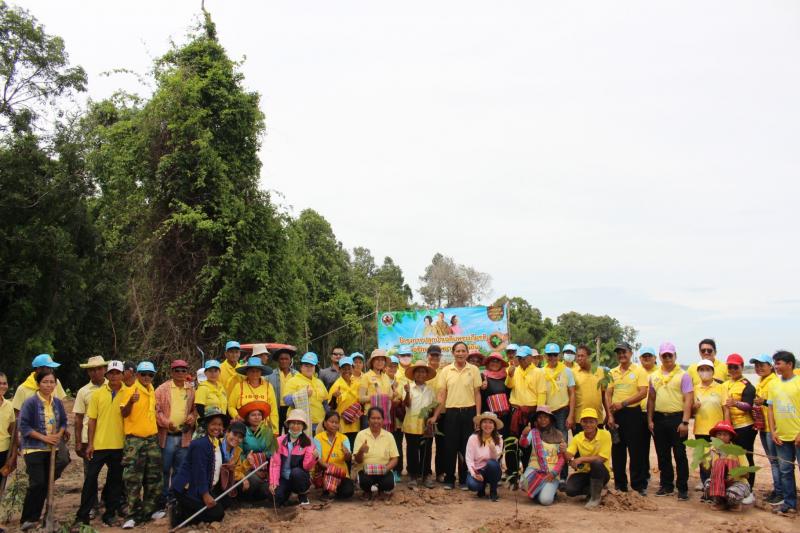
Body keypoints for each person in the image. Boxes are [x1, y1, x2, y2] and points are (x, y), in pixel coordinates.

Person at [75, 360, 125, 527]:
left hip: (118, 444)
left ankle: (110, 514)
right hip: (99, 444)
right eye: (112, 373)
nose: (114, 376)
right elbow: (92, 420)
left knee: (115, 481)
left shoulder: (128, 393)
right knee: (90, 479)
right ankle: (82, 515)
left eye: (118, 373)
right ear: (107, 374)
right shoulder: (97, 394)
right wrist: (90, 444)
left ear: (122, 375)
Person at [17, 368, 68, 531]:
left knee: (45, 482)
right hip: (34, 448)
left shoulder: (57, 403)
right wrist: (45, 438)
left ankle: (41, 516)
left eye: (52, 382)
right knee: (38, 483)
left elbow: (63, 422)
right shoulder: (30, 403)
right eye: (45, 382)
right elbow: (24, 426)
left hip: (51, 449)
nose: (49, 385)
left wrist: (58, 435)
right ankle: (28, 518)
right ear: (38, 384)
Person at [427, 341, 482, 490]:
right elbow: (442, 396)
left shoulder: (474, 370)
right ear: (453, 353)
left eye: (463, 351)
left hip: (469, 412)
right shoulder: (446, 371)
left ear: (467, 353)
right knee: (450, 447)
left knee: (466, 447)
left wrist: (477, 416)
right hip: (451, 414)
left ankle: (464, 479)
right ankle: (450, 479)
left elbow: (477, 394)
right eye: (457, 351)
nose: (460, 353)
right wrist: (436, 415)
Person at [118, 361, 163, 529]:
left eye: (150, 374)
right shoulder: (130, 390)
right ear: (137, 375)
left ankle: (150, 510)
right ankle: (133, 514)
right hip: (135, 441)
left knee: (153, 476)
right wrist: (131, 401)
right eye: (143, 374)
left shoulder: (151, 390)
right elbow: (123, 413)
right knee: (133, 478)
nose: (146, 377)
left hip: (151, 439)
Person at [646, 342, 693, 500]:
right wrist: (650, 420)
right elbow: (651, 399)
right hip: (659, 418)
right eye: (664, 355)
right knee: (662, 454)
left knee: (680, 454)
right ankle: (666, 485)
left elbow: (688, 399)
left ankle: (682, 488)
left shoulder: (684, 375)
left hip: (677, 418)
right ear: (660, 357)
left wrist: (685, 422)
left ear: (675, 356)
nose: (667, 358)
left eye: (670, 355)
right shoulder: (654, 376)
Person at [169, 407, 229, 527]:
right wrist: (205, 495)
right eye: (213, 424)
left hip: (200, 486)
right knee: (217, 514)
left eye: (220, 425)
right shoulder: (200, 444)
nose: (217, 427)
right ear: (206, 425)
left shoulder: (216, 442)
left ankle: (189, 509)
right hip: (187, 488)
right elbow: (199, 471)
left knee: (225, 503)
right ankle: (179, 514)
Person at [605, 341, 649, 495]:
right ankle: (620, 485)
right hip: (616, 416)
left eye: (624, 352)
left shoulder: (639, 371)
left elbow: (643, 392)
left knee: (636, 451)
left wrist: (623, 403)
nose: (621, 355)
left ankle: (638, 485)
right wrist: (610, 415)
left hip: (633, 414)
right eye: (619, 353)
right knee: (617, 451)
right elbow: (608, 394)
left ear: (630, 353)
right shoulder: (612, 372)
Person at [155, 359, 196, 507]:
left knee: (180, 469)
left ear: (187, 372)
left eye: (183, 370)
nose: (180, 373)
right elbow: (156, 410)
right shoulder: (161, 389)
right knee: (165, 469)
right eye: (177, 370)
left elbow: (195, 409)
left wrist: (192, 417)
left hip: (184, 436)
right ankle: (163, 497)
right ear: (171, 372)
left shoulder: (191, 390)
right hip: (168, 436)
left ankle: (174, 497)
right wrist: (167, 423)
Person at [505, 345, 546, 484]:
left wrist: (538, 415)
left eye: (523, 358)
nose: (521, 360)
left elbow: (542, 393)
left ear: (530, 358)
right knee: (511, 442)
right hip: (515, 410)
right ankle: (512, 474)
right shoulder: (514, 370)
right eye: (519, 358)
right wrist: (510, 375)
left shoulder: (538, 372)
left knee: (528, 444)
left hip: (531, 412)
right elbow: (509, 386)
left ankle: (528, 475)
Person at [766, 350, 800, 516]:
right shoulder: (774, 384)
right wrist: (773, 432)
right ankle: (790, 503)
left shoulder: (799, 382)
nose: (776, 366)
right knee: (785, 471)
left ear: (790, 364)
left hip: (798, 435)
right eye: (775, 363)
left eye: (778, 363)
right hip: (781, 437)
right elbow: (770, 410)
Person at [692, 359, 729, 492]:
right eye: (702, 370)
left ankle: (720, 483)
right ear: (698, 372)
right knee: (704, 459)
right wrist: (694, 407)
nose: (705, 372)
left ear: (713, 372)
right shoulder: (694, 388)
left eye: (708, 369)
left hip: (718, 430)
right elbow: (690, 411)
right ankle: (705, 482)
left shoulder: (721, 387)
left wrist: (727, 428)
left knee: (719, 458)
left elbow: (725, 409)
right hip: (700, 429)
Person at [749, 354, 782, 506]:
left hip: (772, 428)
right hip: (763, 426)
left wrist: (764, 401)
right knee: (773, 460)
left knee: (775, 462)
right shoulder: (762, 382)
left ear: (770, 366)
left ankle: (780, 493)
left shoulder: (774, 382)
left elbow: (778, 402)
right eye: (756, 366)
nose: (758, 368)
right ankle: (778, 490)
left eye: (762, 365)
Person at [564, 408, 612, 508]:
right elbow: (569, 454)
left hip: (602, 472)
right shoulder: (578, 437)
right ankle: (597, 490)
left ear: (596, 423)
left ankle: (595, 498)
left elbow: (602, 458)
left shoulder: (605, 434)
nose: (588, 425)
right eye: (585, 421)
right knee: (570, 490)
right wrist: (565, 452)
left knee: (596, 463)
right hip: (584, 472)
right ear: (581, 423)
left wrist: (581, 459)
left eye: (591, 422)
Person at [268, 409, 317, 506]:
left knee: (296, 472)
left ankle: (302, 495)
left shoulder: (308, 442)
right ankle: (286, 495)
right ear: (288, 424)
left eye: (299, 423)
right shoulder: (279, 441)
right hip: (284, 477)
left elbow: (306, 466)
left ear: (303, 426)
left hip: (299, 477)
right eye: (293, 423)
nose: (295, 426)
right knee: (275, 497)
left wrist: (313, 458)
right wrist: (273, 482)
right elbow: (275, 463)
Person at [541, 342, 575, 485]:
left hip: (562, 411)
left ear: (559, 356)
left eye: (555, 355)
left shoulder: (567, 371)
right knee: (546, 442)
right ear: (545, 356)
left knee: (562, 443)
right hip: (547, 412)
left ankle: (563, 477)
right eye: (550, 355)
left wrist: (571, 415)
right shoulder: (541, 372)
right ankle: (547, 473)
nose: (552, 358)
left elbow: (572, 393)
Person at [723, 353, 756, 490]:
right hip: (729, 427)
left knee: (746, 458)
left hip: (744, 427)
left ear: (742, 367)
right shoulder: (725, 384)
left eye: (735, 367)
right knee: (730, 457)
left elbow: (748, 405)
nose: (732, 370)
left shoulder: (747, 386)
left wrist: (735, 403)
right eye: (730, 367)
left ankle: (749, 488)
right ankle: (733, 485)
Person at [701, 421, 751, 511]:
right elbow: (706, 470)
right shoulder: (710, 449)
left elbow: (747, 474)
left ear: (730, 436)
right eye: (719, 434)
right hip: (719, 481)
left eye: (725, 435)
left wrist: (734, 474)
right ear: (715, 436)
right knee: (708, 485)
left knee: (732, 494)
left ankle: (734, 503)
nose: (721, 437)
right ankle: (720, 502)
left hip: (737, 482)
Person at [520, 406, 565, 506]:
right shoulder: (533, 432)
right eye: (540, 417)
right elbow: (524, 444)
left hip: (552, 472)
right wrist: (523, 435)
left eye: (546, 417)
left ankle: (543, 490)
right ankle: (543, 489)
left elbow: (562, 458)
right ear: (536, 420)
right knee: (523, 482)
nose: (542, 420)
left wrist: (553, 473)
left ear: (550, 419)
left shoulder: (558, 434)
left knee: (545, 501)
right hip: (535, 469)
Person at [403, 360, 437, 488]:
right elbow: (407, 404)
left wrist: (432, 417)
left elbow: (434, 405)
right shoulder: (408, 387)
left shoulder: (430, 390)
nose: (420, 374)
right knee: (412, 451)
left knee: (426, 451)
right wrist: (407, 392)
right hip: (411, 424)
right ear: (414, 374)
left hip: (426, 425)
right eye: (418, 372)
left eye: (423, 372)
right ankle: (413, 476)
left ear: (426, 375)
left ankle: (425, 475)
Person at [353, 407, 399, 500]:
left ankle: (381, 490)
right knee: (364, 481)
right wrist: (361, 451)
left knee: (389, 483)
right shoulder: (361, 435)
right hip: (366, 471)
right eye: (373, 418)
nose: (376, 421)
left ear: (383, 420)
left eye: (379, 418)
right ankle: (367, 492)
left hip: (384, 470)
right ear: (368, 420)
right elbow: (357, 461)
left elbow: (395, 458)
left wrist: (385, 469)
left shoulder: (389, 436)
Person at [480, 353, 513, 474]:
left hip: (505, 417)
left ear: (501, 364)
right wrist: (482, 388)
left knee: (503, 443)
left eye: (497, 361)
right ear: (488, 363)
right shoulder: (483, 376)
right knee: (489, 443)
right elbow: (479, 396)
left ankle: (503, 471)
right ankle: (489, 470)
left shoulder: (507, 377)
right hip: (489, 418)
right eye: (492, 361)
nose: (494, 363)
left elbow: (511, 393)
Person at [237, 400, 277, 500]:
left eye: (259, 415)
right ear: (247, 417)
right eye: (253, 415)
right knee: (254, 481)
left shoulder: (267, 431)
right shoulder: (242, 431)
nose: (257, 417)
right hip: (246, 467)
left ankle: (256, 499)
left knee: (270, 490)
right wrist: (252, 465)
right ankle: (244, 499)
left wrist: (261, 459)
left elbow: (273, 451)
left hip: (265, 468)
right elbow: (238, 453)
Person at [74, 356, 108, 466]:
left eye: (99, 368)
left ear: (105, 369)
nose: (96, 372)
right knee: (90, 472)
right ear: (88, 372)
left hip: (109, 437)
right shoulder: (83, 391)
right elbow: (79, 418)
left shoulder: (114, 387)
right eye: (92, 369)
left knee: (114, 472)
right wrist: (78, 442)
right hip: (88, 438)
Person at [228, 356, 278, 431]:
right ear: (247, 372)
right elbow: (231, 406)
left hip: (263, 428)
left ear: (261, 372)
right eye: (252, 371)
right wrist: (237, 416)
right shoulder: (239, 386)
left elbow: (273, 410)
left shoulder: (268, 386)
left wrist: (275, 430)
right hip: (243, 426)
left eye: (257, 371)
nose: (255, 373)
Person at [313, 411, 354, 500]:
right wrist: (332, 469)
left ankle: (334, 490)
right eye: (331, 422)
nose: (334, 425)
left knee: (348, 492)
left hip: (341, 473)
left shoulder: (344, 438)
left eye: (336, 422)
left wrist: (347, 454)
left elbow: (348, 459)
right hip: (325, 471)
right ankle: (326, 489)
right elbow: (318, 459)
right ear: (325, 423)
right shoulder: (318, 438)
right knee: (327, 478)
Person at [284, 352, 328, 433]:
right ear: (301, 367)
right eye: (306, 365)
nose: (309, 368)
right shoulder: (293, 381)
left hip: (320, 424)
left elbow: (325, 403)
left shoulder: (319, 382)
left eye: (311, 366)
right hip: (300, 424)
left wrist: (328, 420)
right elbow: (287, 401)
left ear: (315, 368)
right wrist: (304, 394)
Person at [466, 412, 504, 502]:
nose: (487, 425)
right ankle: (481, 487)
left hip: (491, 470)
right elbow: (469, 459)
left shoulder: (499, 439)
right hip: (477, 469)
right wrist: (474, 474)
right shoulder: (473, 438)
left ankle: (493, 491)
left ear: (494, 426)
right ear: (480, 424)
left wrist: (493, 449)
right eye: (485, 422)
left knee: (492, 464)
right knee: (472, 485)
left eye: (490, 422)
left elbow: (496, 459)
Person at [573, 344, 608, 433]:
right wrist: (571, 416)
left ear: (589, 357)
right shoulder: (573, 373)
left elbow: (604, 396)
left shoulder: (600, 372)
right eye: (578, 356)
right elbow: (570, 396)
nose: (579, 358)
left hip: (597, 419)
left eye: (582, 356)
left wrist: (609, 414)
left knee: (598, 442)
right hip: (579, 419)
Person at [327, 356, 361, 448]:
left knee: (354, 448)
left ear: (353, 369)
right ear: (339, 370)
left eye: (349, 368)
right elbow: (331, 407)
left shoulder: (357, 383)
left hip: (355, 423)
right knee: (343, 449)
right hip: (342, 425)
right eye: (344, 369)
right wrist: (334, 397)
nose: (347, 371)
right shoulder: (336, 385)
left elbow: (361, 400)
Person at [358, 349, 397, 425]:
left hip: (384, 415)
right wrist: (376, 397)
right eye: (377, 359)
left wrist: (394, 395)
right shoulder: (366, 376)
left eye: (382, 360)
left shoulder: (386, 377)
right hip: (369, 416)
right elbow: (361, 398)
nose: (380, 362)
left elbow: (390, 396)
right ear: (372, 362)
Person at [425, 345, 446, 481]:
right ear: (427, 356)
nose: (434, 357)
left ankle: (440, 473)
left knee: (441, 444)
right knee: (426, 444)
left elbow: (443, 394)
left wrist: (436, 413)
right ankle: (426, 472)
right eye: (432, 355)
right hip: (426, 414)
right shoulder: (423, 372)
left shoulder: (444, 372)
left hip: (442, 413)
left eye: (437, 355)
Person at [638, 346, 659, 483]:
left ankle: (665, 477)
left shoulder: (660, 372)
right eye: (644, 356)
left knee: (661, 447)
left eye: (649, 356)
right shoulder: (637, 371)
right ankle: (644, 475)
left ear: (655, 358)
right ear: (640, 358)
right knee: (642, 447)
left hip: (657, 414)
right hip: (639, 414)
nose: (647, 358)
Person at [265, 346, 297, 432]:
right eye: (281, 359)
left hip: (292, 408)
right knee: (275, 432)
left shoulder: (296, 375)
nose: (284, 361)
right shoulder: (270, 375)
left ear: (290, 360)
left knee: (291, 432)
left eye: (286, 359)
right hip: (276, 408)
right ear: (278, 360)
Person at [194, 360, 228, 434]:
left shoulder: (221, 387)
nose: (213, 374)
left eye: (215, 371)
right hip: (207, 426)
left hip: (219, 426)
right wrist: (207, 424)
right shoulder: (202, 387)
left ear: (219, 372)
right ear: (205, 373)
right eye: (210, 371)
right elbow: (199, 407)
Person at [386, 355, 405, 481]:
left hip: (397, 420)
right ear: (385, 367)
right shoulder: (382, 380)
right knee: (386, 444)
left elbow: (402, 398)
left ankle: (398, 470)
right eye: (390, 366)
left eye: (395, 366)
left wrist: (397, 399)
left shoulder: (401, 382)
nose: (392, 368)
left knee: (397, 445)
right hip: (385, 419)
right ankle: (387, 469)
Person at [0, 372, 17, 496]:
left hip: (3, 452)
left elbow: (13, 432)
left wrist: (13, 455)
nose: (2, 386)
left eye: (4, 383)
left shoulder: (9, 406)